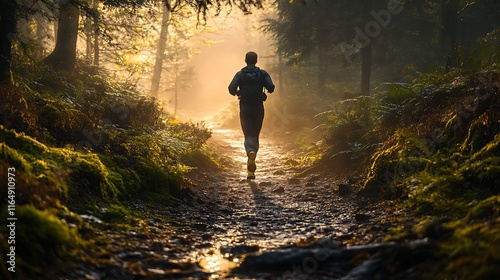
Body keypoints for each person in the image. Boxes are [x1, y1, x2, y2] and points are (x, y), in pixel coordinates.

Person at [228, 51, 275, 180]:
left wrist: (239, 92)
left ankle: (250, 155)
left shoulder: (240, 74)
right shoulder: (262, 73)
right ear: (256, 60)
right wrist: (266, 90)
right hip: (258, 108)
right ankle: (251, 168)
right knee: (255, 135)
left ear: (245, 60)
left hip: (245, 108)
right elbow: (270, 87)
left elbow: (231, 88)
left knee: (247, 135)